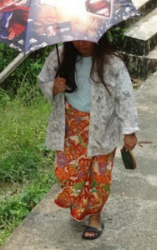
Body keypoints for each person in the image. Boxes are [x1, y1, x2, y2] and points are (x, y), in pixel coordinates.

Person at [38, 34, 139, 241]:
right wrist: (53, 88)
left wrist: (129, 131)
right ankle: (81, 204)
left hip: (102, 127)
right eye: (76, 38)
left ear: (99, 36)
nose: (81, 43)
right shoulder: (59, 57)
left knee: (98, 175)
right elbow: (43, 80)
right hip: (70, 126)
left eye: (86, 38)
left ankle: (94, 217)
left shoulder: (112, 62)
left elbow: (125, 96)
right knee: (69, 173)